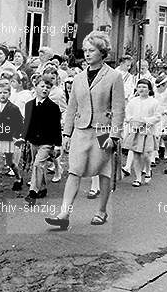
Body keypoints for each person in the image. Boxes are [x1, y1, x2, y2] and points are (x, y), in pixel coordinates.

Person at [47, 31, 125, 229]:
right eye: (85, 50)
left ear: (102, 52)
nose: (87, 54)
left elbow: (118, 109)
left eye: (92, 50)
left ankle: (101, 210)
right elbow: (72, 107)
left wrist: (114, 136)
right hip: (81, 130)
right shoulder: (79, 77)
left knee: (103, 172)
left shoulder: (114, 76)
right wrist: (66, 134)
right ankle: (64, 214)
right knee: (74, 171)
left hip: (102, 131)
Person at [23, 75, 62, 204]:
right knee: (39, 166)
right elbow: (27, 123)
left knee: (38, 164)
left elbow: (56, 127)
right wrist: (24, 139)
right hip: (33, 141)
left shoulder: (53, 107)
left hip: (47, 142)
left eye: (48, 87)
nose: (45, 89)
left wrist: (57, 145)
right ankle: (43, 188)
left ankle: (33, 191)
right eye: (42, 86)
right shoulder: (29, 105)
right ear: (36, 86)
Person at [122, 79, 161, 186]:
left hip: (147, 130)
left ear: (149, 89)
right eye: (139, 87)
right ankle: (138, 177)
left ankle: (148, 170)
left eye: (144, 87)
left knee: (146, 155)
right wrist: (132, 120)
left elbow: (157, 117)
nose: (141, 89)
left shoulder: (154, 102)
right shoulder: (133, 101)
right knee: (136, 154)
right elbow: (127, 114)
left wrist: (145, 121)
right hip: (135, 130)